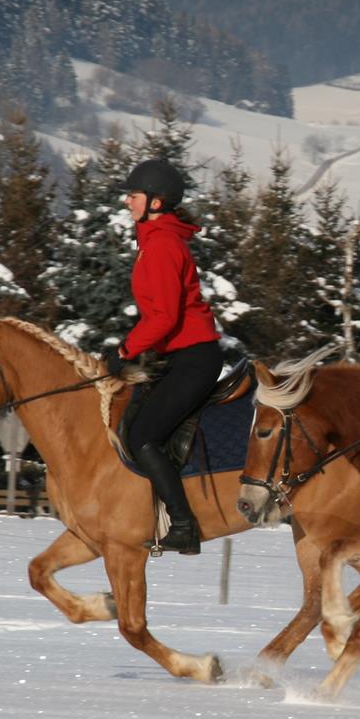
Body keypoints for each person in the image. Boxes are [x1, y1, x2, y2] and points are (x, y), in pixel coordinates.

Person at [108, 157, 224, 555]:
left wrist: (125, 350)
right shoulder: (154, 242)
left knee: (143, 437)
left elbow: (164, 317)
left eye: (133, 196)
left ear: (156, 203)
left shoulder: (160, 245)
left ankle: (184, 525)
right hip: (179, 355)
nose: (127, 202)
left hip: (194, 358)